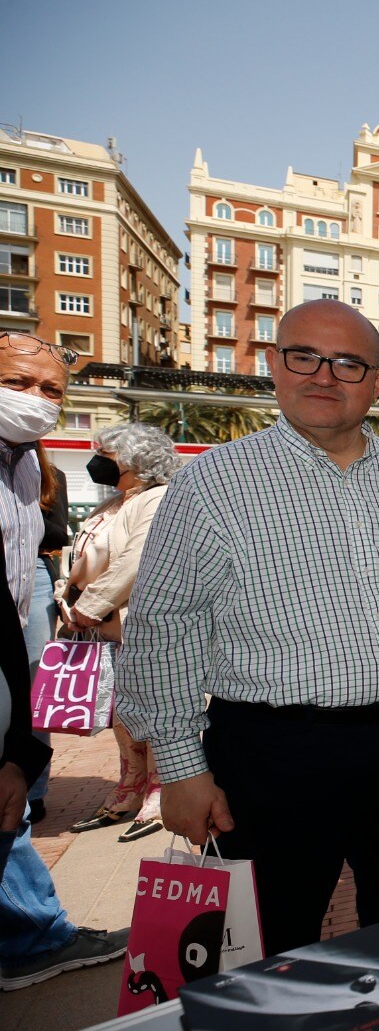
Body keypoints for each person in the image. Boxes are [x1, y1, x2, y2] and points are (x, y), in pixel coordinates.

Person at [117, 300, 379, 957]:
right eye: (304, 356)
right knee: (264, 951)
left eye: (349, 364)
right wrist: (183, 770)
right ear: (273, 365)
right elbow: (165, 629)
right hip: (273, 757)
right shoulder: (214, 483)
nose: (324, 376)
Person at [0, 331, 128, 989]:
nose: (36, 401)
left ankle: (29, 935)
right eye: (19, 383)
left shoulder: (26, 466)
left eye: (51, 390)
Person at [59, 424, 179, 842]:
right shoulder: (113, 502)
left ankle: (160, 794)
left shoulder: (157, 499)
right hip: (102, 629)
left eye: (108, 454)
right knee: (121, 717)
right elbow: (80, 558)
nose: (99, 461)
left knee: (152, 713)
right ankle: (129, 787)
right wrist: (67, 596)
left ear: (136, 460)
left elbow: (134, 562)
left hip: (138, 629)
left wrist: (88, 608)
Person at [21, 448, 66, 824]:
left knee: (34, 691)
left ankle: (33, 792)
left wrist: (18, 507)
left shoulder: (50, 473)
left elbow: (56, 532)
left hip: (34, 572)